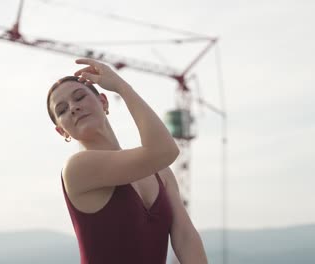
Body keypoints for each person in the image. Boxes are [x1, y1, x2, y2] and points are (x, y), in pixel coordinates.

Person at [46, 58, 208, 264]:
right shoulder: (77, 168)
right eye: (61, 110)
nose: (73, 108)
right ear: (62, 131)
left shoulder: (161, 173)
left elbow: (185, 237)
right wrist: (122, 87)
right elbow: (165, 149)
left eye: (79, 97)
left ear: (103, 102)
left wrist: (120, 85)